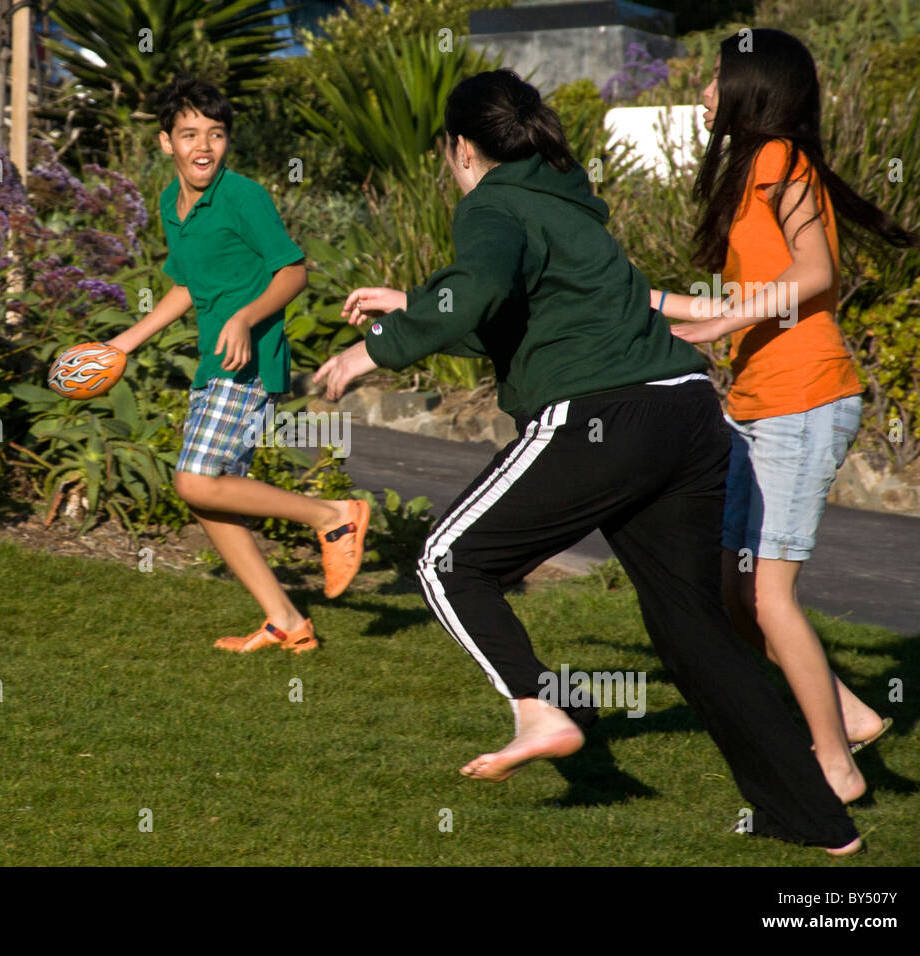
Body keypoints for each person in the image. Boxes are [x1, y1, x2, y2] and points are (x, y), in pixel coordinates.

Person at [315, 68, 861, 853]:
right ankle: (818, 824)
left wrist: (375, 349)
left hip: (608, 417)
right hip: (684, 411)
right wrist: (409, 308)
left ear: (461, 148)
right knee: (693, 632)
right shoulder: (566, 203)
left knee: (446, 560)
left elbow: (477, 290)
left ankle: (539, 708)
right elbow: (522, 316)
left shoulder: (494, 203)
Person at [653, 29, 916, 803]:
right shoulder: (752, 171)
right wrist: (638, 300)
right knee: (735, 592)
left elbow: (815, 272)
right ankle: (851, 715)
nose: (703, 93)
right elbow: (726, 304)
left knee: (767, 595)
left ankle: (835, 766)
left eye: (713, 80)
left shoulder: (777, 158)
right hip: (759, 403)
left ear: (752, 89)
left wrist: (720, 324)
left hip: (805, 397)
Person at [107, 75, 370, 654]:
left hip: (248, 361)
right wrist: (126, 344)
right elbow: (186, 284)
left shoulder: (243, 196)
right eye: (189, 133)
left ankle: (333, 514)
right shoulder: (172, 206)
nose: (203, 145)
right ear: (165, 143)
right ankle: (285, 620)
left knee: (195, 479)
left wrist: (246, 318)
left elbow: (294, 271)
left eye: (216, 134)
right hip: (213, 361)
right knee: (208, 495)